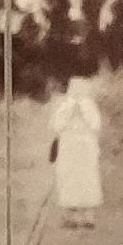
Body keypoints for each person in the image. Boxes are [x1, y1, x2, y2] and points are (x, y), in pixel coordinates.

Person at [48, 77, 103, 230]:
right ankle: (71, 217)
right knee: (69, 179)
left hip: (85, 149)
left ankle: (88, 217)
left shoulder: (89, 106)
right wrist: (70, 109)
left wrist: (83, 109)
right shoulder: (66, 106)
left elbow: (95, 124)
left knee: (87, 179)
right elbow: (56, 125)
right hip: (69, 149)